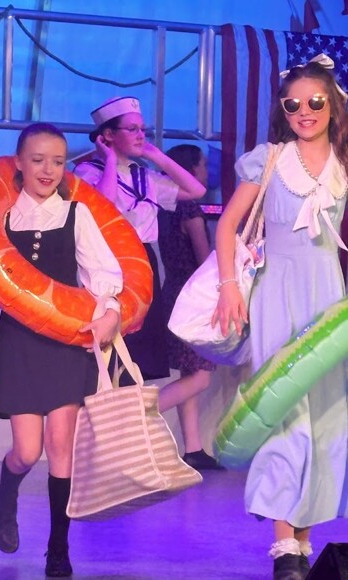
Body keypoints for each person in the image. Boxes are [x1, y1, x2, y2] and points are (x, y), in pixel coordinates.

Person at [212, 54, 348, 580]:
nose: (304, 111)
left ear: (333, 105)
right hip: (277, 294)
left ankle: (304, 542)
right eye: (293, 105)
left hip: (328, 294)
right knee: (283, 411)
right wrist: (229, 287)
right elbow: (227, 226)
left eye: (315, 101)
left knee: (327, 419)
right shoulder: (268, 160)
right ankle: (284, 544)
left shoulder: (342, 164)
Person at [0, 122, 122, 578]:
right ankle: (6, 492)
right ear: (19, 163)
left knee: (60, 444)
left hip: (67, 339)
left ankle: (58, 547)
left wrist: (109, 311)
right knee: (27, 452)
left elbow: (104, 273)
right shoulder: (3, 217)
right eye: (38, 160)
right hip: (20, 341)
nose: (48, 170)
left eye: (58, 161)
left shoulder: (76, 214)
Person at [74, 96, 205, 382]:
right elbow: (104, 207)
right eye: (132, 129)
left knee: (141, 349)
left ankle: (132, 405)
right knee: (111, 345)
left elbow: (196, 190)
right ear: (108, 135)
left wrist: (156, 155)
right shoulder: (87, 172)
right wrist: (110, 160)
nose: (140, 135)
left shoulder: (146, 176)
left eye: (142, 129)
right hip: (107, 259)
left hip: (144, 259)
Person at [157, 144, 222, 470]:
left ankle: (193, 448)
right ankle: (138, 416)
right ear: (191, 169)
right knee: (200, 378)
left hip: (172, 293)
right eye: (203, 165)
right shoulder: (191, 210)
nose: (206, 171)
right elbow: (204, 258)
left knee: (190, 373)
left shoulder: (165, 208)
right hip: (194, 297)